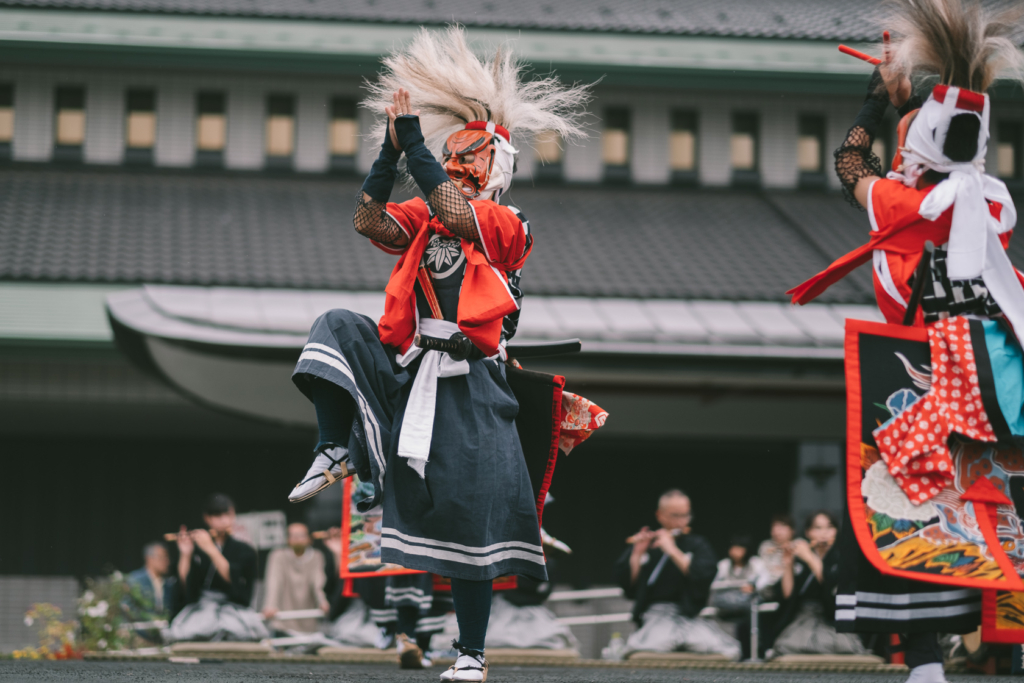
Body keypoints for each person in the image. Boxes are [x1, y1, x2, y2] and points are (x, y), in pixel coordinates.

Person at [287, 26, 595, 682]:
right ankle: (338, 446)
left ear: (498, 167)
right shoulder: (422, 218)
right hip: (415, 365)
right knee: (336, 324)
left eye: (470, 161)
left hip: (476, 380)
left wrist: (418, 150)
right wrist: (388, 153)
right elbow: (369, 221)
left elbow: (457, 213)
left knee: (470, 528)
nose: (457, 170)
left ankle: (471, 653)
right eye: (450, 161)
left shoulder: (509, 226)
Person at [787, 2, 1024, 680]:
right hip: (990, 383)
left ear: (915, 147)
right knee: (990, 507)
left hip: (920, 383)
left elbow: (848, 161)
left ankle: (924, 660)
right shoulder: (994, 210)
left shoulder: (900, 206)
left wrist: (878, 101)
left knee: (905, 512)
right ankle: (1006, 651)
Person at [613, 490, 740, 660]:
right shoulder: (649, 544)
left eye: (686, 515)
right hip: (657, 615)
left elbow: (703, 575)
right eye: (675, 515)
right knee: (653, 644)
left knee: (727, 649)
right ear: (660, 515)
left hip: (690, 616)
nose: (681, 521)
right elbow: (629, 587)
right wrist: (636, 554)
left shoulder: (697, 544)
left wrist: (672, 550)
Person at [164, 493, 268, 643]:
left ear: (234, 515)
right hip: (202, 608)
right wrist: (186, 554)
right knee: (189, 631)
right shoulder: (197, 548)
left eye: (228, 514)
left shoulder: (246, 550)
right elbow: (186, 586)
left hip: (233, 609)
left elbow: (238, 583)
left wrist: (211, 549)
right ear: (207, 518)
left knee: (243, 631)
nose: (224, 520)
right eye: (217, 516)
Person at [770, 511, 867, 657]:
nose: (824, 533)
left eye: (829, 528)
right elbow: (788, 593)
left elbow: (830, 582)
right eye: (818, 528)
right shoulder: (803, 558)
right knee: (786, 646)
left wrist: (809, 558)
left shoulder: (841, 558)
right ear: (808, 532)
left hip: (831, 621)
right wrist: (788, 563)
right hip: (803, 621)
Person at [261, 523, 330, 633]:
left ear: (309, 539)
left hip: (308, 617)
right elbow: (274, 581)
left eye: (301, 535)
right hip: (283, 618)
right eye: (293, 535)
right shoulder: (278, 556)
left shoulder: (317, 556)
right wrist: (270, 605)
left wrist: (323, 601)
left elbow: (318, 582)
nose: (297, 539)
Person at [708, 536, 764, 638]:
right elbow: (714, 585)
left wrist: (753, 587)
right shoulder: (724, 565)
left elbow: (763, 582)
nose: (735, 551)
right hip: (727, 608)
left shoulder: (755, 563)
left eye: (739, 548)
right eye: (733, 547)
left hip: (747, 609)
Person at [126, 542, 177, 619]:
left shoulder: (169, 583)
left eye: (167, 558)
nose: (167, 562)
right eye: (162, 557)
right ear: (149, 559)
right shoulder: (135, 580)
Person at [756, 514, 795, 601]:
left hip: (789, 587)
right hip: (768, 587)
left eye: (781, 527)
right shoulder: (766, 546)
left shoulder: (798, 545)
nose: (777, 532)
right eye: (774, 528)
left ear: (792, 530)